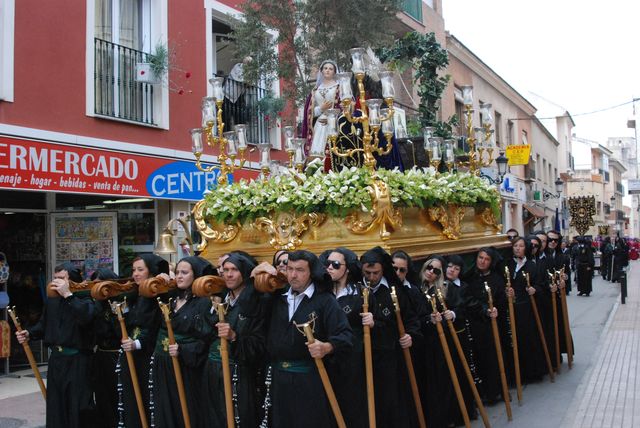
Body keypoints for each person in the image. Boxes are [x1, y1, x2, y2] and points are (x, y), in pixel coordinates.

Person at [264, 250, 353, 428]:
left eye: (300, 270)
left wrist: (327, 347)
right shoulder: (276, 298)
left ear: (311, 272)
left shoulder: (325, 301)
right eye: (289, 269)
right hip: (278, 379)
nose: (293, 275)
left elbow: (346, 336)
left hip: (309, 380)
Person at [16, 263, 98, 428]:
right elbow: (44, 324)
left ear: (72, 281)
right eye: (55, 278)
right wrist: (29, 334)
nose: (56, 283)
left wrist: (68, 295)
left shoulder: (85, 299)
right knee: (56, 406)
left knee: (78, 407)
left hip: (78, 361)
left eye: (61, 279)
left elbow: (86, 318)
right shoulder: (52, 301)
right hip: (57, 361)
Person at [204, 252, 267, 427]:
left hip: (239, 373)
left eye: (234, 270)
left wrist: (234, 337)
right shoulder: (221, 299)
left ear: (245, 273)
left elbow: (259, 343)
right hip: (213, 371)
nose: (229, 274)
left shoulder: (256, 302)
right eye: (225, 270)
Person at [151, 256, 214, 428]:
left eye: (184, 273)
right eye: (177, 272)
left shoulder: (203, 303)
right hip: (164, 365)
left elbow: (206, 339)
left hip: (187, 367)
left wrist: (183, 350)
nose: (179, 276)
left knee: (186, 410)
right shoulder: (170, 299)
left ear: (195, 276)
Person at [361, 246, 421, 427]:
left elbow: (410, 319)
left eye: (376, 273)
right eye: (367, 273)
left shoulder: (396, 291)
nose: (371, 278)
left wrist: (410, 335)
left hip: (390, 356)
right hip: (362, 356)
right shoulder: (355, 288)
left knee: (392, 400)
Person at [320, 247, 373, 428]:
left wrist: (372, 319)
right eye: (327, 264)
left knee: (352, 404)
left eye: (335, 264)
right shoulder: (322, 293)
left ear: (348, 268)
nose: (330, 268)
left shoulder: (360, 293)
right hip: (326, 356)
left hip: (352, 358)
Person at [119, 254, 168, 427]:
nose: (135, 274)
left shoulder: (160, 295)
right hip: (132, 355)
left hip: (149, 357)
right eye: (134, 270)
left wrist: (137, 344)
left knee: (149, 399)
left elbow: (155, 328)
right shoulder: (136, 295)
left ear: (152, 271)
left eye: (141, 269)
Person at [463, 247, 507, 405]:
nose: (482, 261)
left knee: (494, 358)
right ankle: (483, 392)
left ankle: (496, 391)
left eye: (486, 259)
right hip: (475, 324)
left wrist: (495, 308)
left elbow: (501, 301)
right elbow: (467, 299)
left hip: (493, 325)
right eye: (480, 257)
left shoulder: (497, 279)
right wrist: (482, 309)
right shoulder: (469, 277)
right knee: (478, 358)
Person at [504, 237, 547, 383]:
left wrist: (535, 289)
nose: (517, 248)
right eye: (515, 245)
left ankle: (533, 372)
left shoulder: (531, 266)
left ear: (526, 248)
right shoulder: (508, 265)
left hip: (527, 309)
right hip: (511, 308)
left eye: (521, 246)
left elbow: (541, 285)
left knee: (528, 339)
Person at [90, 268, 122, 428]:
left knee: (117, 395)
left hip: (116, 356)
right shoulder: (96, 304)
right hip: (101, 355)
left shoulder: (119, 302)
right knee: (101, 395)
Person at [303, 60, 341, 160]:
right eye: (325, 68)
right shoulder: (315, 90)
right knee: (315, 152)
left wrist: (331, 118)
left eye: (330, 69)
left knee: (331, 152)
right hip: (319, 124)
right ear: (322, 71)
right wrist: (321, 108)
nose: (328, 70)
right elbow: (308, 112)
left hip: (333, 124)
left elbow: (343, 108)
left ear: (334, 72)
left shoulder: (338, 88)